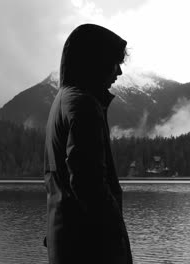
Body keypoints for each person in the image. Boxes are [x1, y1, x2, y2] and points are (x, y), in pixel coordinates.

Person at [43, 24, 133, 264]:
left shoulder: (62, 100)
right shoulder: (82, 105)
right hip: (88, 250)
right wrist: (116, 246)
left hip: (65, 243)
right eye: (115, 63)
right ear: (97, 61)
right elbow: (88, 184)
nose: (119, 73)